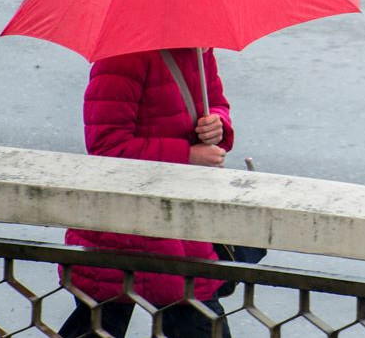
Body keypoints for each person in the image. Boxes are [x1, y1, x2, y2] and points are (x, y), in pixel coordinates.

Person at [58, 47, 234, 338]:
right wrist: (188, 155)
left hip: (177, 229)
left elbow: (216, 102)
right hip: (122, 232)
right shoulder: (122, 56)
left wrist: (217, 125)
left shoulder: (200, 48)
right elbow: (107, 147)